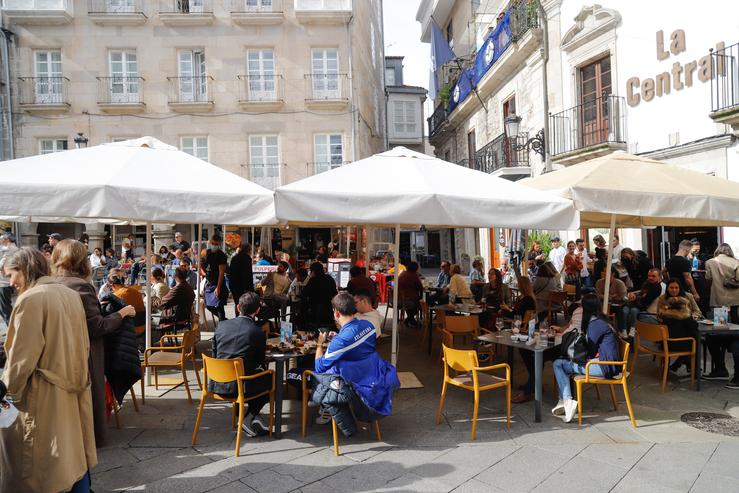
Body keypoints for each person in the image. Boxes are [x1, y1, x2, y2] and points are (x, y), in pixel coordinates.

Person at [0, 247, 98, 493]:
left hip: (42, 393)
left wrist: (7, 391)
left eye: (11, 274)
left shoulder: (32, 299)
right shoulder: (68, 294)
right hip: (71, 384)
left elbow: (22, 358)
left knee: (37, 465)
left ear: (25, 269)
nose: (10, 282)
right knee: (72, 455)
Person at [52, 240, 136, 447]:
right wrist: (121, 313)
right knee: (90, 395)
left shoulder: (52, 284)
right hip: (85, 351)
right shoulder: (80, 286)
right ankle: (91, 439)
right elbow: (97, 326)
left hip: (61, 351)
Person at [312, 293, 399, 436]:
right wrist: (338, 337)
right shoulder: (369, 326)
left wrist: (319, 343)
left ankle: (324, 408)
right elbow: (359, 347)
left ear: (336, 312)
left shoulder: (341, 341)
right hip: (371, 376)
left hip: (352, 383)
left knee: (310, 373)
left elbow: (319, 367)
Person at [210, 292, 271, 437]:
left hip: (217, 383)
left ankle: (251, 417)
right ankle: (249, 416)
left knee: (252, 374)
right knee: (270, 379)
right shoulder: (257, 332)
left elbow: (215, 353)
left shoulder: (221, 326)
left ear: (238, 307)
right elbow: (261, 362)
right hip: (241, 386)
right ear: (257, 311)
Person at [552, 294, 621, 423]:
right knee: (565, 364)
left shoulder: (595, 324)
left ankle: (566, 400)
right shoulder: (603, 320)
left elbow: (590, 350)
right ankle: (564, 400)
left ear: (584, 308)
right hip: (610, 365)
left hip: (603, 367)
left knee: (558, 364)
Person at [657, 278, 701, 374]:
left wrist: (694, 315)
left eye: (676, 287)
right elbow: (659, 315)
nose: (674, 290)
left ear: (680, 288)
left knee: (693, 333)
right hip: (669, 337)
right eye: (671, 287)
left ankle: (680, 364)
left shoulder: (688, 296)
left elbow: (697, 311)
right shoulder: (662, 299)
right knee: (695, 337)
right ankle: (693, 367)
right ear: (667, 288)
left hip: (685, 332)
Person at [705, 243, 739, 323]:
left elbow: (708, 277)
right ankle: (735, 333)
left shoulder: (709, 262)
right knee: (735, 317)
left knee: (720, 321)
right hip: (734, 295)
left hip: (718, 294)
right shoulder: (736, 262)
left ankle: (721, 334)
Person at [301, 261, 338, 329]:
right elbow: (335, 294)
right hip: (328, 313)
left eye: (310, 271)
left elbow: (304, 294)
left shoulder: (312, 281)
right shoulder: (330, 279)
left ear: (313, 271)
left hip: (314, 314)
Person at [201, 235, 229, 321]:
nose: (214, 245)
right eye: (213, 243)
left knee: (220, 306)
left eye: (216, 244)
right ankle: (224, 320)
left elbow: (221, 272)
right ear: (210, 242)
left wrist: (218, 287)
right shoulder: (206, 253)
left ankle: (222, 323)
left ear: (219, 244)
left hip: (218, 283)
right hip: (209, 283)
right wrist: (203, 273)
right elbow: (200, 263)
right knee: (208, 305)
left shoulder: (221, 255)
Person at [229, 241, 254, 316]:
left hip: (234, 286)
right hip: (243, 287)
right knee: (246, 305)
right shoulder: (246, 259)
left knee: (237, 304)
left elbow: (231, 273)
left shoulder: (234, 258)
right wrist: (249, 289)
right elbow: (247, 275)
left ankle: (237, 319)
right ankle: (244, 320)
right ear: (249, 250)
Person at [0, 233, 19, 326]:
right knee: (4, 307)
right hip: (6, 281)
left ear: (7, 240)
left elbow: (1, 265)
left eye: (2, 239)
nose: (1, 240)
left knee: (5, 308)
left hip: (4, 282)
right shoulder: (12, 249)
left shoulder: (9, 249)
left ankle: (12, 328)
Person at [397, 261, 423, 327]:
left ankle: (411, 321)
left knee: (411, 305)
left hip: (397, 299)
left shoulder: (403, 273)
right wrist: (421, 297)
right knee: (419, 305)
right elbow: (420, 287)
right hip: (405, 300)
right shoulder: (413, 275)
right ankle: (409, 320)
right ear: (415, 269)